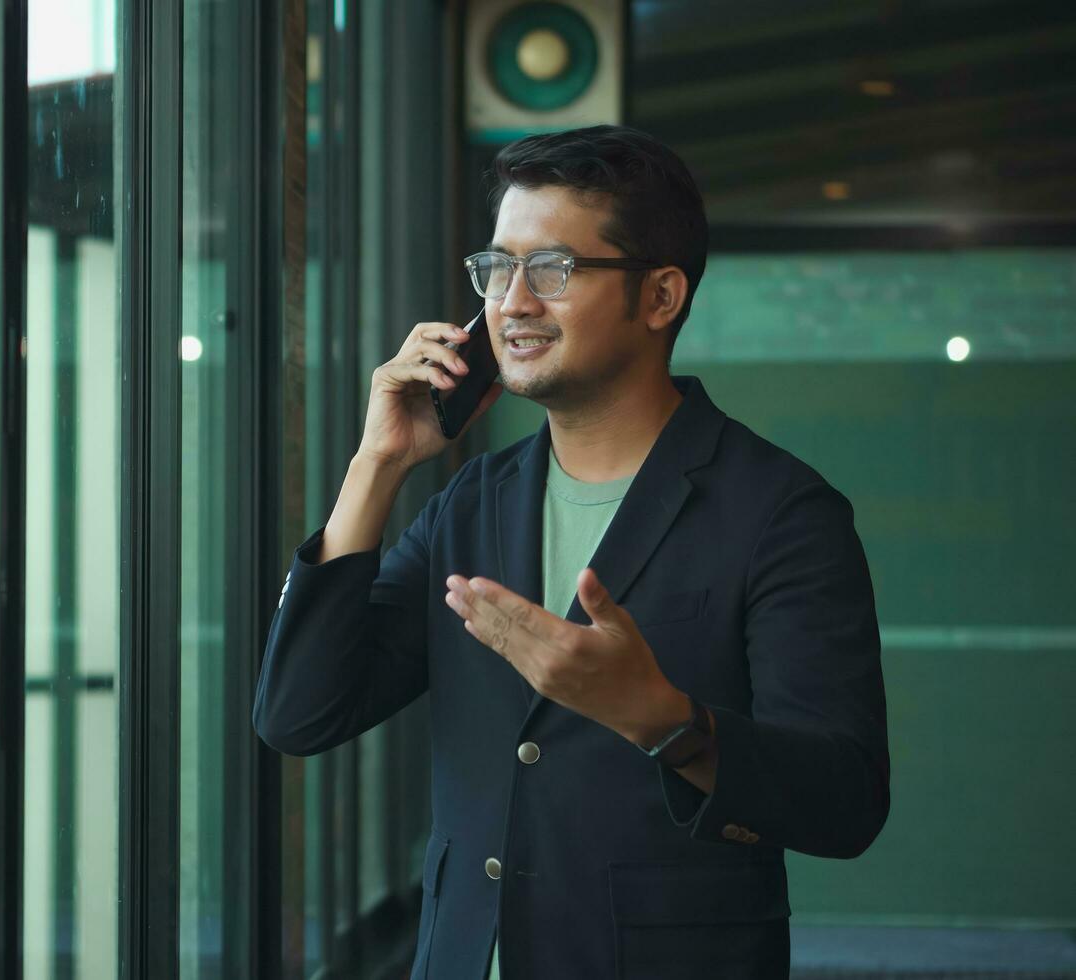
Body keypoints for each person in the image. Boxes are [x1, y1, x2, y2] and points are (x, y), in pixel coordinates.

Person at [252, 125, 889, 979]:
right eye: (496, 269)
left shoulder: (782, 513)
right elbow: (299, 714)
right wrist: (378, 465)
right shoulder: (471, 503)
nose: (510, 303)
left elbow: (843, 805)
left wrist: (666, 721)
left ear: (660, 296)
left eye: (551, 270)